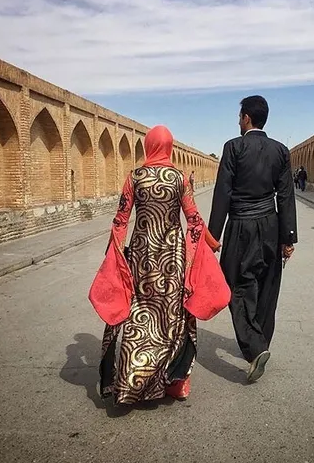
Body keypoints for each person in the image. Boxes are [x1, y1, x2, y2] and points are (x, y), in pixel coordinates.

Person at [96, 125, 221, 405]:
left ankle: (131, 384)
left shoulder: (135, 177)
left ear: (148, 146)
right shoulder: (178, 178)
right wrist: (211, 244)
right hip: (172, 259)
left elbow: (120, 220)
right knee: (171, 318)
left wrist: (113, 254)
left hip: (141, 256)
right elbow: (194, 220)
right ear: (169, 147)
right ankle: (175, 384)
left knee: (139, 316)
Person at [208, 95, 297, 383]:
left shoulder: (233, 148)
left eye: (239, 116)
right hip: (271, 224)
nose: (238, 121)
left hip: (241, 225)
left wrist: (213, 235)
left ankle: (255, 347)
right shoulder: (280, 151)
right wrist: (288, 238)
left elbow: (223, 192)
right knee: (267, 284)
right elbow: (285, 196)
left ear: (246, 117)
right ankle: (260, 341)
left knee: (235, 285)